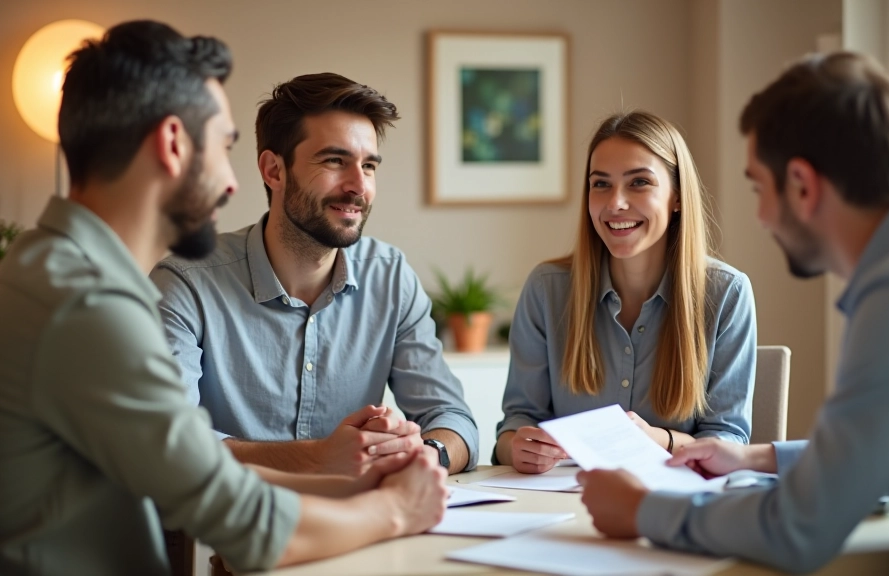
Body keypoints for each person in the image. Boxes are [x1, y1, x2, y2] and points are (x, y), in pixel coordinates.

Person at [0, 21, 447, 576]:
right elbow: (249, 526)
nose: (232, 183)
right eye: (223, 146)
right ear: (171, 144)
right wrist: (397, 509)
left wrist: (354, 477)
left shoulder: (50, 268)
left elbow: (194, 469)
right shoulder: (84, 302)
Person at [577, 52, 889, 575]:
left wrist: (642, 510)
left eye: (758, 189)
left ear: (803, 185)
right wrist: (757, 457)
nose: (763, 217)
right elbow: (878, 440)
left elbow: (799, 527)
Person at [149, 73, 478, 475]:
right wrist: (318, 457)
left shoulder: (391, 277)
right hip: (231, 529)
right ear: (273, 170)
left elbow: (454, 420)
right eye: (335, 161)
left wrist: (423, 454)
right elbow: (167, 439)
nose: (359, 186)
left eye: (369, 165)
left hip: (367, 524)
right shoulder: (186, 283)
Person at [495, 111, 757, 473]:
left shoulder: (727, 293)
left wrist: (659, 439)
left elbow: (727, 438)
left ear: (677, 197)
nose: (615, 203)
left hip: (675, 509)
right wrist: (516, 447)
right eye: (600, 184)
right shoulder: (546, 289)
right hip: (565, 505)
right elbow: (517, 421)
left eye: (639, 183)